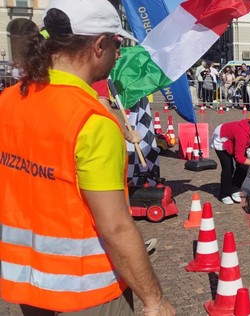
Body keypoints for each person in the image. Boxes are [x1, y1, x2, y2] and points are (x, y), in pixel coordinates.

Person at [0, 1, 175, 314]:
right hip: (86, 290)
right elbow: (116, 228)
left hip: (26, 282)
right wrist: (155, 300)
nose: (119, 53)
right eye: (116, 43)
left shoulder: (8, 100)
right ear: (98, 45)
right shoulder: (91, 120)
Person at [212, 118, 250, 204]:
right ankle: (224, 194)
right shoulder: (242, 134)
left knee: (244, 166)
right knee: (228, 168)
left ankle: (234, 189)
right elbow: (239, 158)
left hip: (235, 140)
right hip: (222, 138)